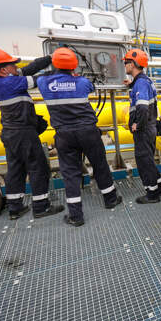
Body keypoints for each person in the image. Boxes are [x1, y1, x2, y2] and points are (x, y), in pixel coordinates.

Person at [36, 48, 122, 226]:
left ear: (54, 64)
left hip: (64, 135)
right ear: (74, 66)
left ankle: (75, 216)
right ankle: (111, 199)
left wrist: (47, 61)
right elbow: (92, 86)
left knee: (70, 173)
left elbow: (30, 75)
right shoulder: (82, 82)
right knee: (100, 165)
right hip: (88, 131)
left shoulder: (44, 82)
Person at [0, 48, 64, 220]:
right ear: (3, 69)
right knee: (38, 167)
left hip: (11, 133)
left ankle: (15, 208)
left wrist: (49, 58)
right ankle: (41, 207)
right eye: (13, 64)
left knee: (16, 169)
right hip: (23, 133)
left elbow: (30, 69)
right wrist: (64, 68)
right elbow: (41, 80)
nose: (17, 67)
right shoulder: (10, 83)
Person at [123, 48, 161, 204]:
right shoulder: (143, 81)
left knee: (144, 162)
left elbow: (142, 108)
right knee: (148, 159)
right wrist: (131, 85)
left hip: (144, 129)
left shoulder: (141, 83)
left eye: (126, 62)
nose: (125, 65)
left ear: (133, 64)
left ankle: (152, 194)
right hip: (150, 127)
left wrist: (138, 124)